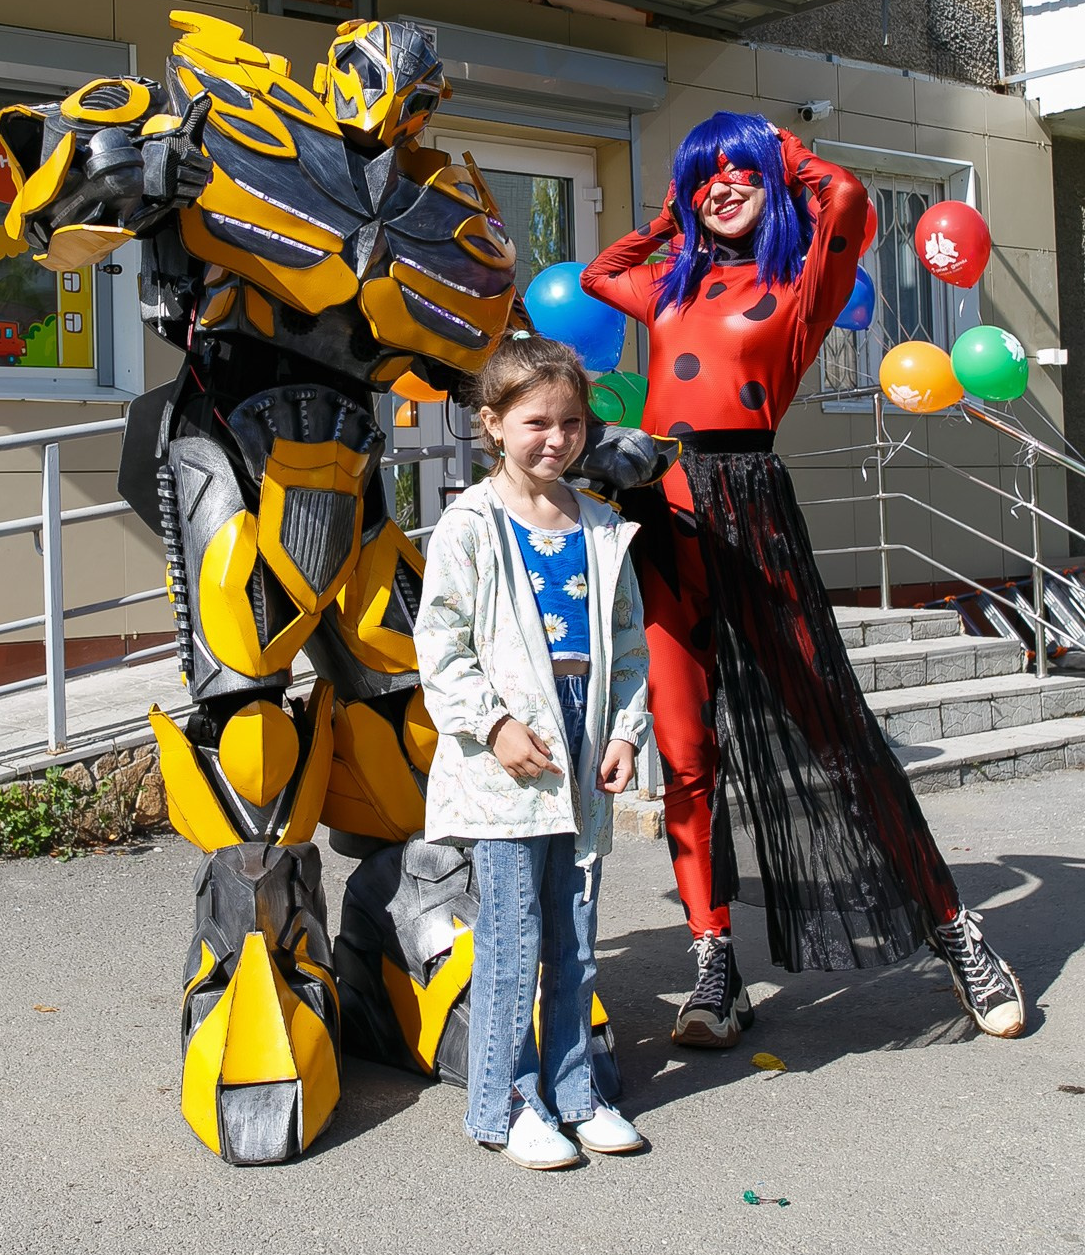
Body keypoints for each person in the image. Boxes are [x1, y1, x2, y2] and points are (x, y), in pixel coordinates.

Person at [581, 112, 1025, 1046]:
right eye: (709, 177)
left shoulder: (803, 276)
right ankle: (715, 965)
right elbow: (597, 273)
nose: (724, 187)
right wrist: (678, 205)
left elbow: (851, 198)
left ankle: (954, 925)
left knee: (836, 736)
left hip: (749, 510)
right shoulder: (670, 284)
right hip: (661, 515)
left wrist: (779, 154)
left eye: (741, 174)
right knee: (685, 756)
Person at [414, 335, 653, 1168]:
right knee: (513, 937)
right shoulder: (470, 526)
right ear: (492, 424)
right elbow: (440, 648)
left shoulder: (600, 528)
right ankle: (507, 1103)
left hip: (582, 743)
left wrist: (625, 731)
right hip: (507, 754)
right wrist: (493, 725)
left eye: (572, 423)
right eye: (535, 422)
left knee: (575, 934)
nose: (556, 438)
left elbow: (627, 648)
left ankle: (576, 1093)